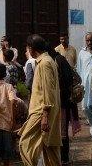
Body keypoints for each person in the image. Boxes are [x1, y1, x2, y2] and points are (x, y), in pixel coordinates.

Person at [18, 34, 62, 166]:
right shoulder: (47, 61)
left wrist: (45, 115)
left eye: (27, 47)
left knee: (25, 144)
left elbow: (48, 90)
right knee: (49, 147)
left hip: (41, 111)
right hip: (45, 110)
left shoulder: (45, 63)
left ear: (31, 48)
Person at [50, 45, 79, 166]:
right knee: (63, 131)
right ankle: (64, 157)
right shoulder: (62, 60)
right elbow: (75, 78)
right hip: (66, 100)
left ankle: (62, 158)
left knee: (61, 131)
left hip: (61, 101)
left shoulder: (55, 61)